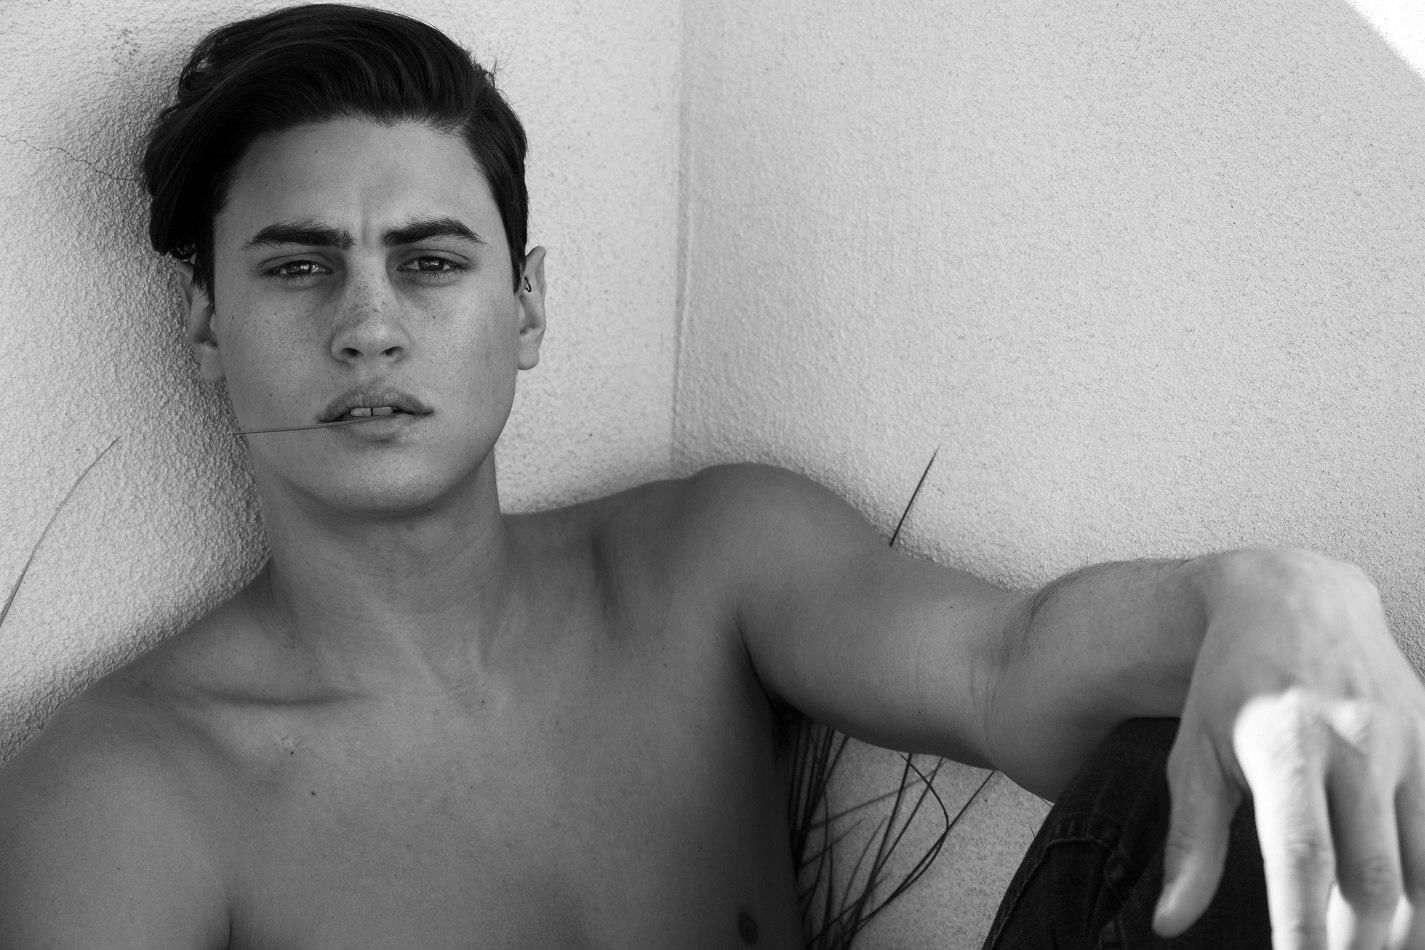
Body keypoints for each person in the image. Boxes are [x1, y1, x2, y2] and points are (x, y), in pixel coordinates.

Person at [0, 4, 1420, 948]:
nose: (369, 325)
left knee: (1278, 747)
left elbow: (1009, 668)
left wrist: (1265, 593)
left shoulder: (704, 566)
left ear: (527, 305)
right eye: (299, 267)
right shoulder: (127, 796)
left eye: (428, 261)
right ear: (207, 328)